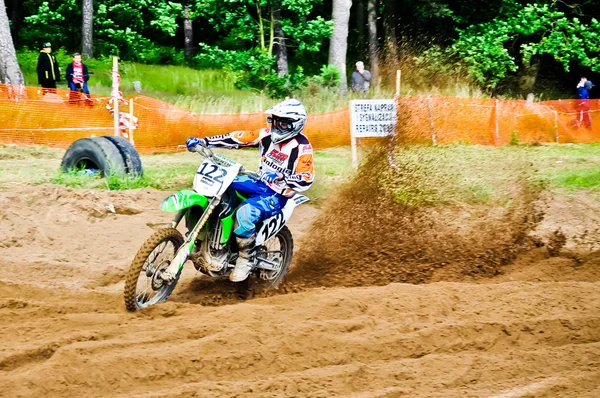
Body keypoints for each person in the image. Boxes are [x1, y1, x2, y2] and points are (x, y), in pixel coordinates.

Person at [185, 98, 315, 282]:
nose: (277, 126)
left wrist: (283, 177)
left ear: (295, 125)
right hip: (258, 182)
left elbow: (306, 178)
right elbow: (238, 137)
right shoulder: (266, 135)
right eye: (275, 120)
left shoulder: (302, 148)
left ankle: (247, 257)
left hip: (277, 194)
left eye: (283, 123)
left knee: (245, 213)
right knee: (220, 184)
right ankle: (213, 237)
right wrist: (204, 141)